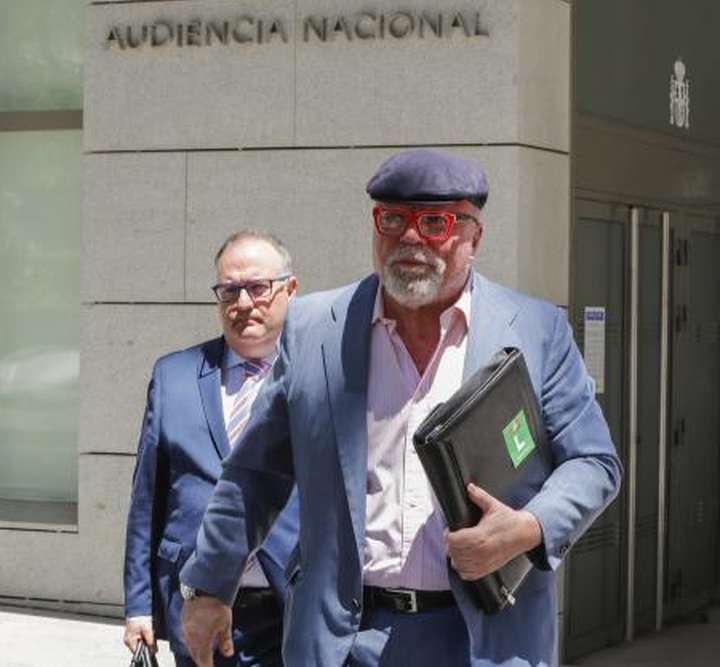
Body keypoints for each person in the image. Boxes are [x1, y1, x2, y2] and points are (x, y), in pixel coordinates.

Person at [179, 149, 622, 666]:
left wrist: (529, 528)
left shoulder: (537, 330)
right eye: (392, 219)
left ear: (475, 236)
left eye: (435, 222)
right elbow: (255, 473)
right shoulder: (315, 329)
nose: (410, 238)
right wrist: (209, 585)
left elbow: (594, 462)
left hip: (483, 642)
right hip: (344, 643)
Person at [123, 231, 302, 666]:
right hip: (193, 604)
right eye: (229, 291)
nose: (243, 303)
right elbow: (148, 498)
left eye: (258, 287)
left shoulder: (317, 376)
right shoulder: (174, 376)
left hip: (290, 605)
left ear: (291, 290)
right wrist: (139, 605)